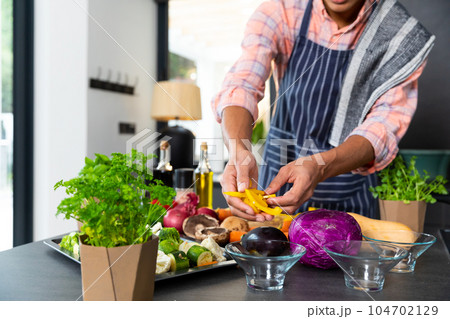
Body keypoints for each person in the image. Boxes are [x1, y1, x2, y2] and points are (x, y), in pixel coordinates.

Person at [212, 0, 434, 221]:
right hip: (275, 190)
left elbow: (382, 127)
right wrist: (238, 150)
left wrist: (318, 168)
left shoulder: (401, 35)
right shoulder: (282, 11)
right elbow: (242, 85)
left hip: (351, 199)